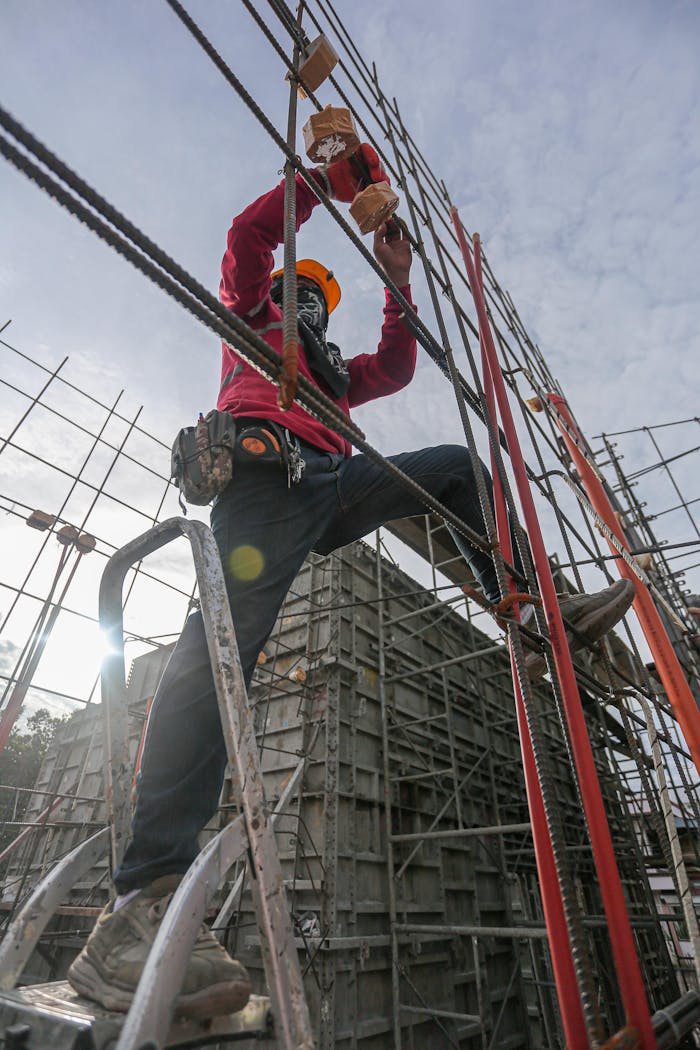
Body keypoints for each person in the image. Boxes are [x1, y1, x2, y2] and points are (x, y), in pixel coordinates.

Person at [67, 146, 634, 1016]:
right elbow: (247, 234)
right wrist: (329, 186)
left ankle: (525, 605)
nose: (306, 306)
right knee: (219, 657)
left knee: (451, 467)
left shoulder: (331, 372)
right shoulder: (251, 318)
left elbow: (398, 369)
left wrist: (398, 281)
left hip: (328, 484)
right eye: (302, 293)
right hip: (261, 487)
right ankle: (137, 902)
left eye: (319, 301)